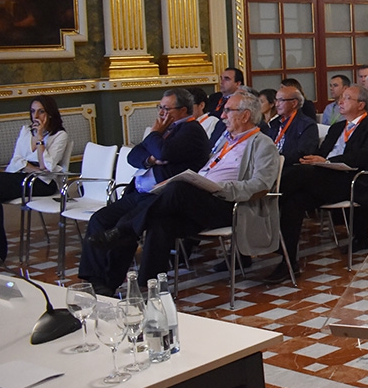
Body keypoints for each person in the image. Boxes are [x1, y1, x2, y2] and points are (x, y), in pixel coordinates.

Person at [89, 90, 282, 285]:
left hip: (229, 205)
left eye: (228, 111)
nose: (222, 116)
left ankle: (124, 230)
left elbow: (261, 185)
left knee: (178, 188)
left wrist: (219, 188)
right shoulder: (225, 139)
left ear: (245, 115)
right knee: (160, 222)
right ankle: (149, 286)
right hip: (201, 202)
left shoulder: (263, 144)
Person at [79, 89, 211, 293]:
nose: (161, 113)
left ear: (183, 110)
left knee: (125, 226)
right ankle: (94, 279)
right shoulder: (165, 130)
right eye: (160, 107)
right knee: (100, 219)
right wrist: (150, 158)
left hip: (161, 195)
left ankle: (108, 284)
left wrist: (155, 135)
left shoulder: (191, 131)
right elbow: (133, 155)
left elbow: (164, 151)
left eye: (166, 108)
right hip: (138, 192)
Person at [270, 85, 368, 282]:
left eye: (347, 98)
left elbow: (366, 156)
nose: (340, 102)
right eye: (341, 98)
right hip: (325, 179)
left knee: (296, 174)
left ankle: (268, 197)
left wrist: (327, 161)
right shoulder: (336, 128)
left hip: (351, 181)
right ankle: (288, 262)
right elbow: (321, 153)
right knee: (294, 201)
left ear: (361, 105)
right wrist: (316, 160)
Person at [0, 96, 70, 265]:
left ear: (50, 113)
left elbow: (47, 167)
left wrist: (40, 139)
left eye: (41, 111)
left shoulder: (60, 136)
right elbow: (16, 160)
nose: (36, 116)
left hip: (43, 183)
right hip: (22, 175)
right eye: (33, 112)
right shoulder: (25, 131)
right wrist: (31, 167)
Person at [264, 85, 319, 166]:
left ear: (294, 103)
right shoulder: (275, 123)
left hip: (289, 165)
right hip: (270, 163)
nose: (277, 104)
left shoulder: (307, 125)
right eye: (276, 100)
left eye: (281, 100)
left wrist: (276, 158)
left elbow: (303, 153)